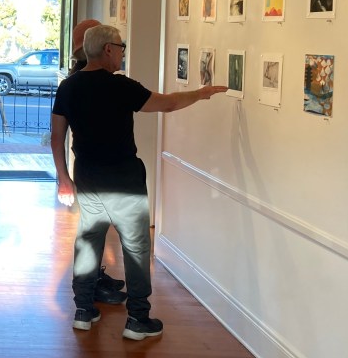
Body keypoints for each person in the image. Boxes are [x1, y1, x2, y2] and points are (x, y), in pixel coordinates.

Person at [50, 25, 226, 339]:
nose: (122, 53)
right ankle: (137, 319)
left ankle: (84, 311)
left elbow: (56, 136)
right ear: (107, 49)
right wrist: (200, 94)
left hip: (87, 176)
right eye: (121, 47)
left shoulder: (68, 87)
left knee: (89, 241)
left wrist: (63, 177)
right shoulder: (120, 86)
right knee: (135, 248)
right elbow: (167, 103)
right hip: (124, 180)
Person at [62, 17, 126, 302]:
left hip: (96, 164)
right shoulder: (81, 82)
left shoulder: (81, 79)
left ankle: (94, 278)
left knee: (95, 228)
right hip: (93, 165)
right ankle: (88, 287)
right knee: (92, 229)